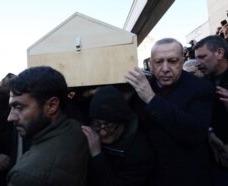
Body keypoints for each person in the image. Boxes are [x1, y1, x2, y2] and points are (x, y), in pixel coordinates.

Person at [125, 38, 215, 186]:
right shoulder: (142, 86)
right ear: (151, 65)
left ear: (182, 61)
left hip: (188, 176)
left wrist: (151, 99)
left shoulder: (201, 88)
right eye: (159, 62)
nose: (165, 68)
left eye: (172, 61)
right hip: (151, 175)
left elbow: (196, 132)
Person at [7, 66, 89, 186]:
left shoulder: (25, 176)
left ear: (51, 105)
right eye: (11, 108)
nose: (10, 117)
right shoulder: (79, 129)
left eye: (19, 107)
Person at [81, 85, 153, 186]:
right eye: (97, 124)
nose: (103, 133)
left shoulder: (139, 153)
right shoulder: (93, 131)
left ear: (123, 122)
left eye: (109, 126)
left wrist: (97, 155)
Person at [194, 35, 228, 185]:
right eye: (196, 58)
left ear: (219, 53)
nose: (197, 63)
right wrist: (210, 134)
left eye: (202, 57)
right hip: (216, 160)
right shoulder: (202, 84)